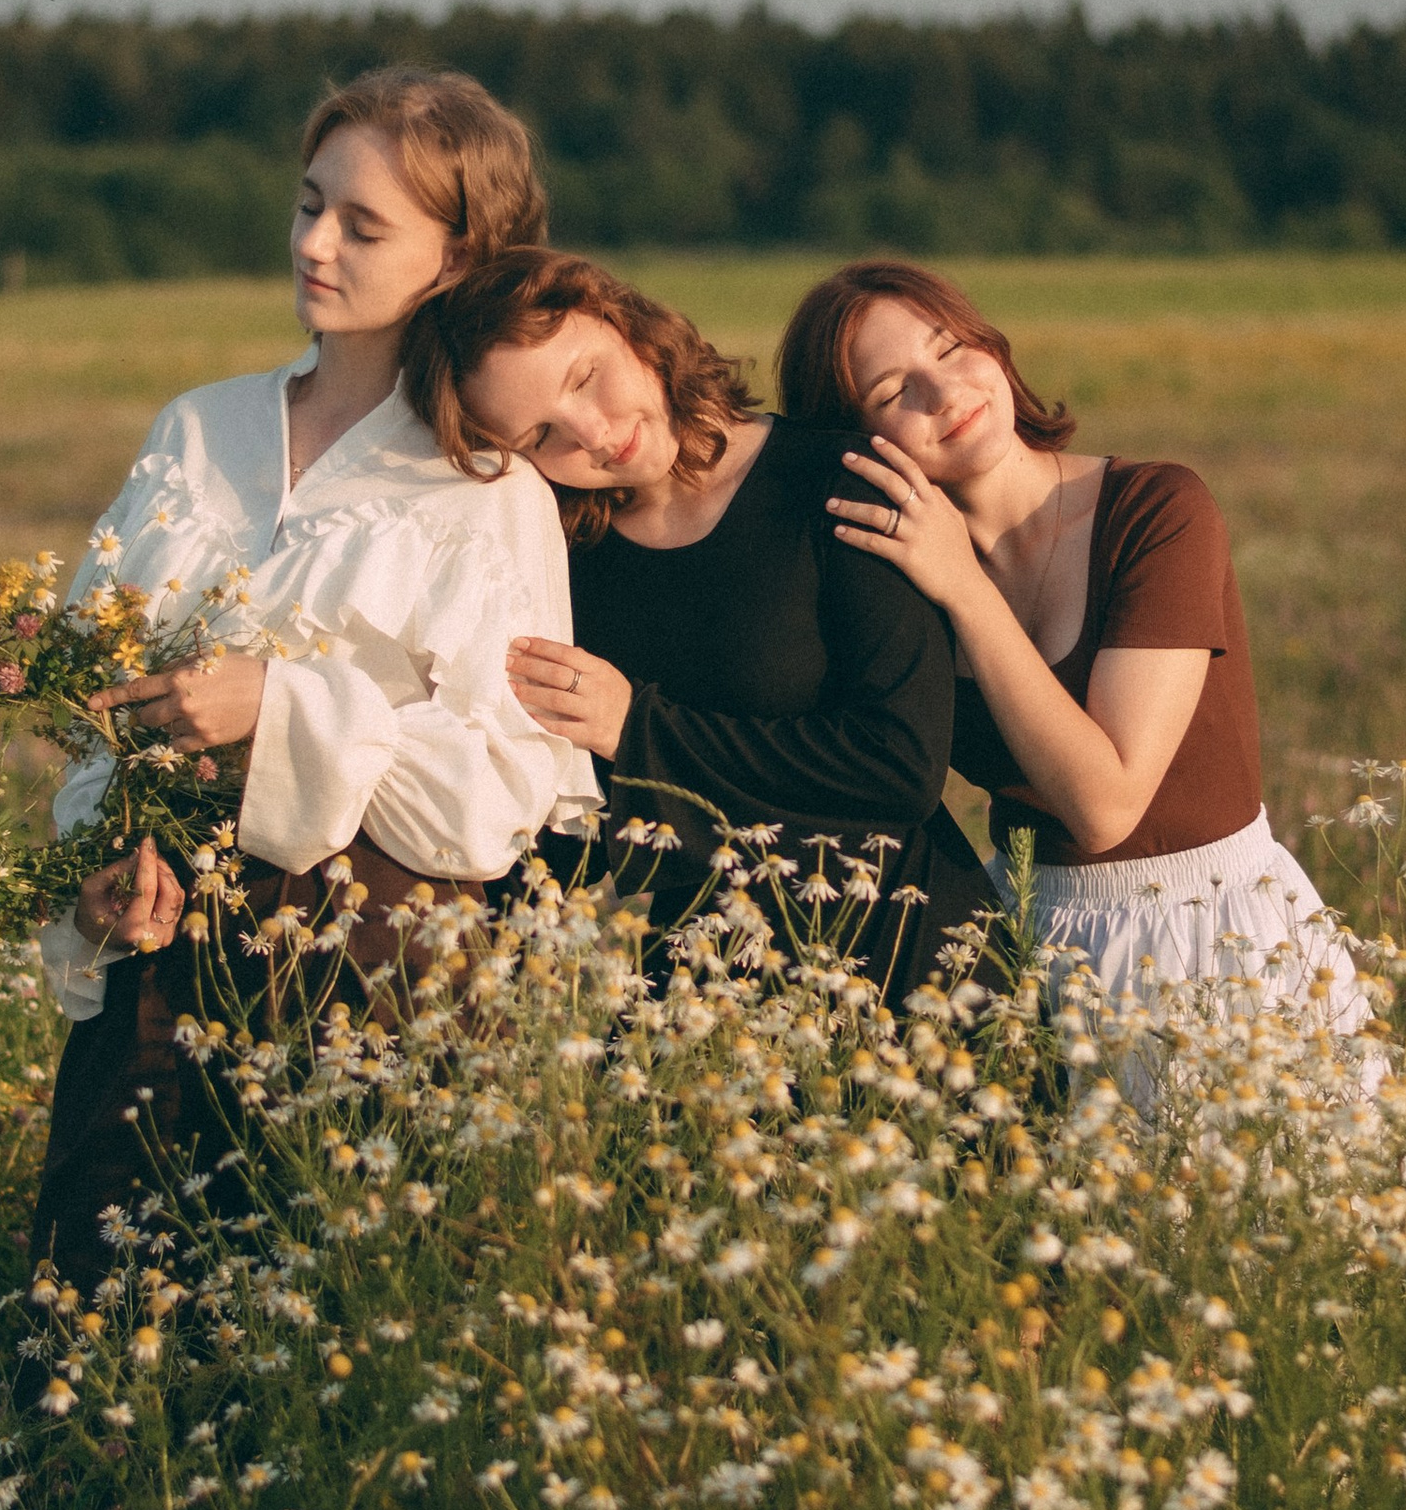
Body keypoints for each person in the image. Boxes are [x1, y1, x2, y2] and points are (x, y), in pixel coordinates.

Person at [29, 71, 599, 1287]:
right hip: (157, 965)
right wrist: (99, 864)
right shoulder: (196, 430)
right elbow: (92, 711)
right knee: (101, 1340)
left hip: (367, 981)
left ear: (455, 259)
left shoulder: (490, 496)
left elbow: (493, 796)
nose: (313, 243)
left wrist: (278, 712)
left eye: (362, 224)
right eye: (306, 205)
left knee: (321, 1336)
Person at [775, 256, 1377, 1076]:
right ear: (856, 445)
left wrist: (964, 588)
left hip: (1216, 936)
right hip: (1025, 951)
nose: (944, 392)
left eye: (951, 349)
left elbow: (1106, 805)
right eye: (892, 393)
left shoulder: (1157, 509)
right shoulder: (894, 584)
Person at [399, 249, 998, 992]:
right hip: (700, 1002)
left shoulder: (839, 478)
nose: (590, 432)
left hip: (915, 966)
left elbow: (900, 765)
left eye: (587, 377)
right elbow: (564, 833)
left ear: (631, 328)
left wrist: (638, 732)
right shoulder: (561, 566)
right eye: (540, 437)